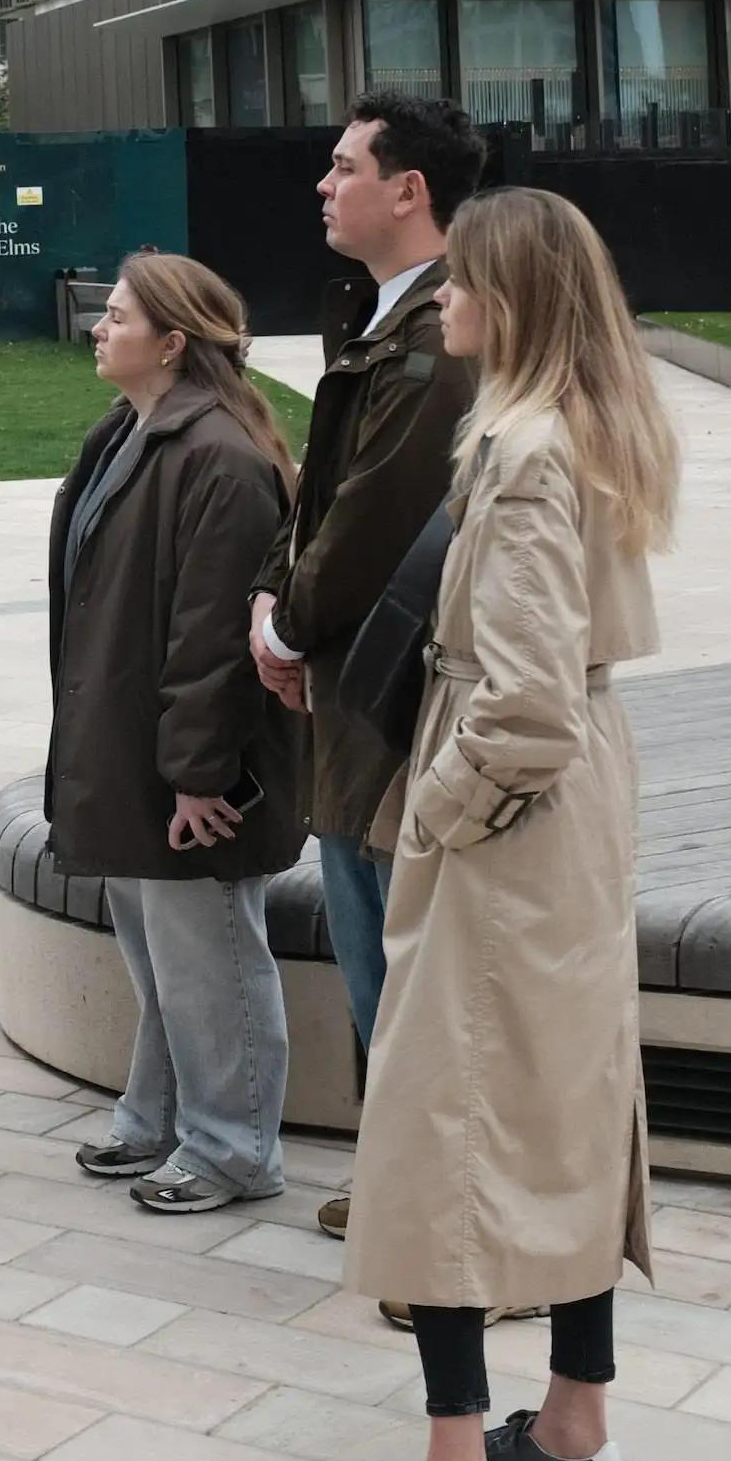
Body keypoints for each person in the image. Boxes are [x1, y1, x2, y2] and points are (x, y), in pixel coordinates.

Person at [322, 188, 676, 1461]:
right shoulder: (594, 427)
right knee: (565, 1103)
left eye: (463, 281)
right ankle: (573, 1427)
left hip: (508, 820)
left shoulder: (523, 450)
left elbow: (520, 710)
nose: (445, 298)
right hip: (575, 812)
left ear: (511, 299)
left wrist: (432, 820)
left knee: (441, 1130)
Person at [247, 92, 484, 1242]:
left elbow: (378, 517)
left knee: (402, 962)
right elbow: (318, 499)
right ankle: (404, 1188)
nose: (322, 184)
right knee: (370, 953)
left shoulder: (437, 337)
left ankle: (431, 1215)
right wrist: (273, 598)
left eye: (343, 167)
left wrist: (286, 628)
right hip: (353, 692)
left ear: (408, 190)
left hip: (394, 702)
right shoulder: (382, 316)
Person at [49, 252, 304, 1214]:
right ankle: (158, 1116)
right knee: (162, 958)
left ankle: (235, 1149)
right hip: (130, 748)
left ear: (172, 343)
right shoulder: (129, 433)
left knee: (212, 962)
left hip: (190, 770)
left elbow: (212, 639)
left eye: (118, 317)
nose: (98, 328)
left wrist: (199, 774)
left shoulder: (219, 459)